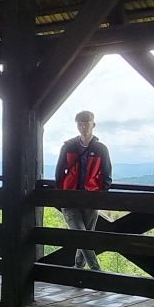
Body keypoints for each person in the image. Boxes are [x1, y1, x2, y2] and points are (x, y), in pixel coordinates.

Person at [54, 110, 112, 271]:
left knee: (84, 236)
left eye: (86, 123)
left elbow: (107, 175)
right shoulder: (68, 147)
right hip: (69, 197)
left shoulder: (101, 149)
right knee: (82, 235)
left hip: (90, 198)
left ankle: (78, 270)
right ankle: (96, 271)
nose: (83, 126)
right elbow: (59, 172)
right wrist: (59, 196)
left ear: (93, 124)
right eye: (80, 123)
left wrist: (100, 196)